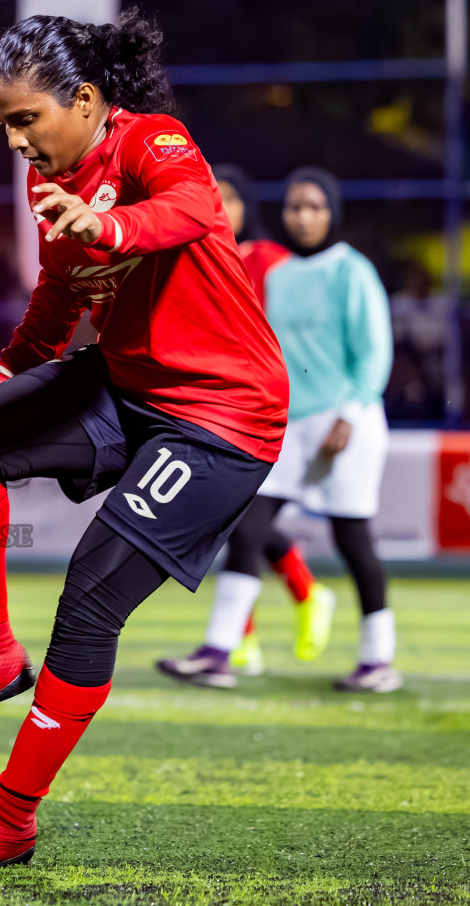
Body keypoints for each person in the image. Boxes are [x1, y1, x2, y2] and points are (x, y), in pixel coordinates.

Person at [0, 7, 288, 868]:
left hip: (222, 419)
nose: (13, 141)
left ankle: (9, 819)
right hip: (130, 384)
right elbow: (53, 306)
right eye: (2, 124)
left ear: (82, 99)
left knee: (89, 598)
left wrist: (109, 225)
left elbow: (188, 208)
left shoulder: (151, 140)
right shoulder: (54, 192)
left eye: (23, 119)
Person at [158, 167, 398, 693]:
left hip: (345, 422)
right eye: (294, 207)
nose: (304, 216)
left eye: (314, 206)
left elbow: (374, 351)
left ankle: (379, 658)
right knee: (246, 529)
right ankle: (220, 651)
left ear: (332, 212)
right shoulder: (282, 273)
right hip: (286, 422)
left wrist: (350, 414)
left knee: (352, 539)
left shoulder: (351, 271)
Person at [208, 165, 335, 677]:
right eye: (211, 196)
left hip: (263, 405)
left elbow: (306, 332)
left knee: (237, 518)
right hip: (213, 402)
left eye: (230, 198)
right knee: (231, 518)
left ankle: (247, 636)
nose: (219, 206)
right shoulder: (196, 257)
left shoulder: (270, 260)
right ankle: (297, 599)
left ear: (246, 207)